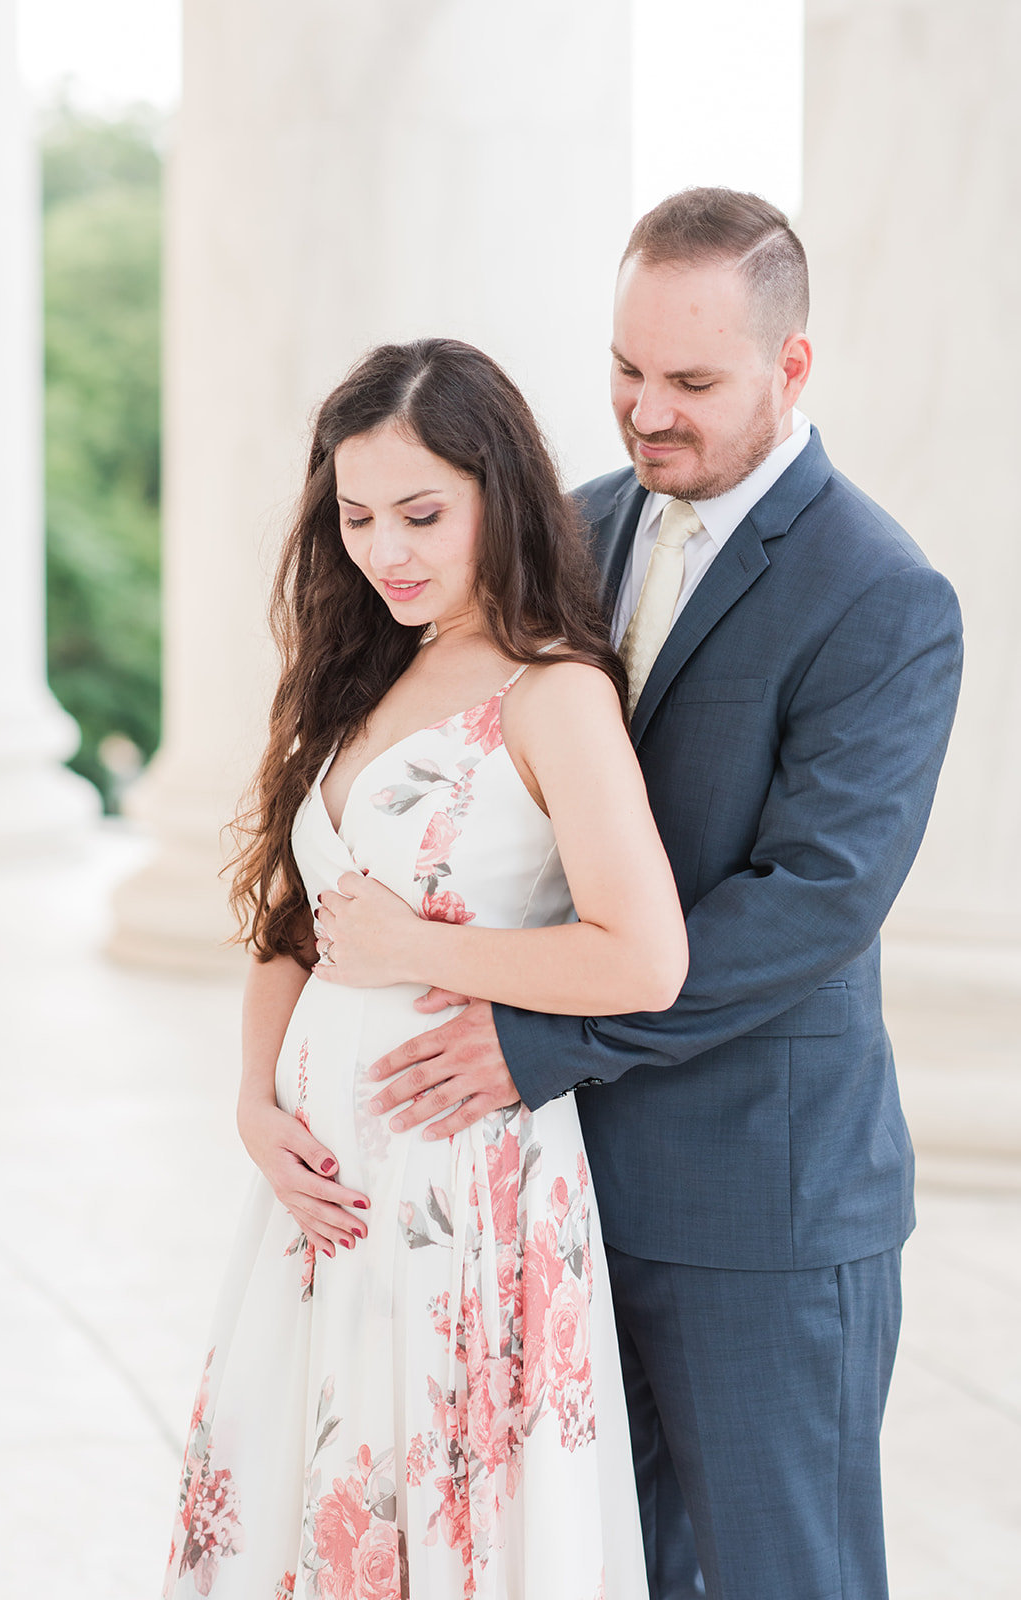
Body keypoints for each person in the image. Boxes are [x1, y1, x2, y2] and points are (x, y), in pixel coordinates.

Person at [314, 191, 965, 1599]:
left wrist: (534, 1035)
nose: (643, 410)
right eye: (623, 370)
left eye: (691, 382)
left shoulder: (884, 595)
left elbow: (812, 907)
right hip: (553, 1193)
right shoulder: (569, 531)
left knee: (784, 1573)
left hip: (762, 1210)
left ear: (792, 368)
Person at [161, 337, 689, 1599]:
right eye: (355, 516)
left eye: (420, 514)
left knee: (452, 1519)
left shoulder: (551, 692)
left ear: (498, 498)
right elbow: (293, 921)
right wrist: (253, 1099)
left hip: (467, 1178)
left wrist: (419, 948)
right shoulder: (359, 674)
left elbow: (647, 956)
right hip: (321, 1186)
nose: (385, 550)